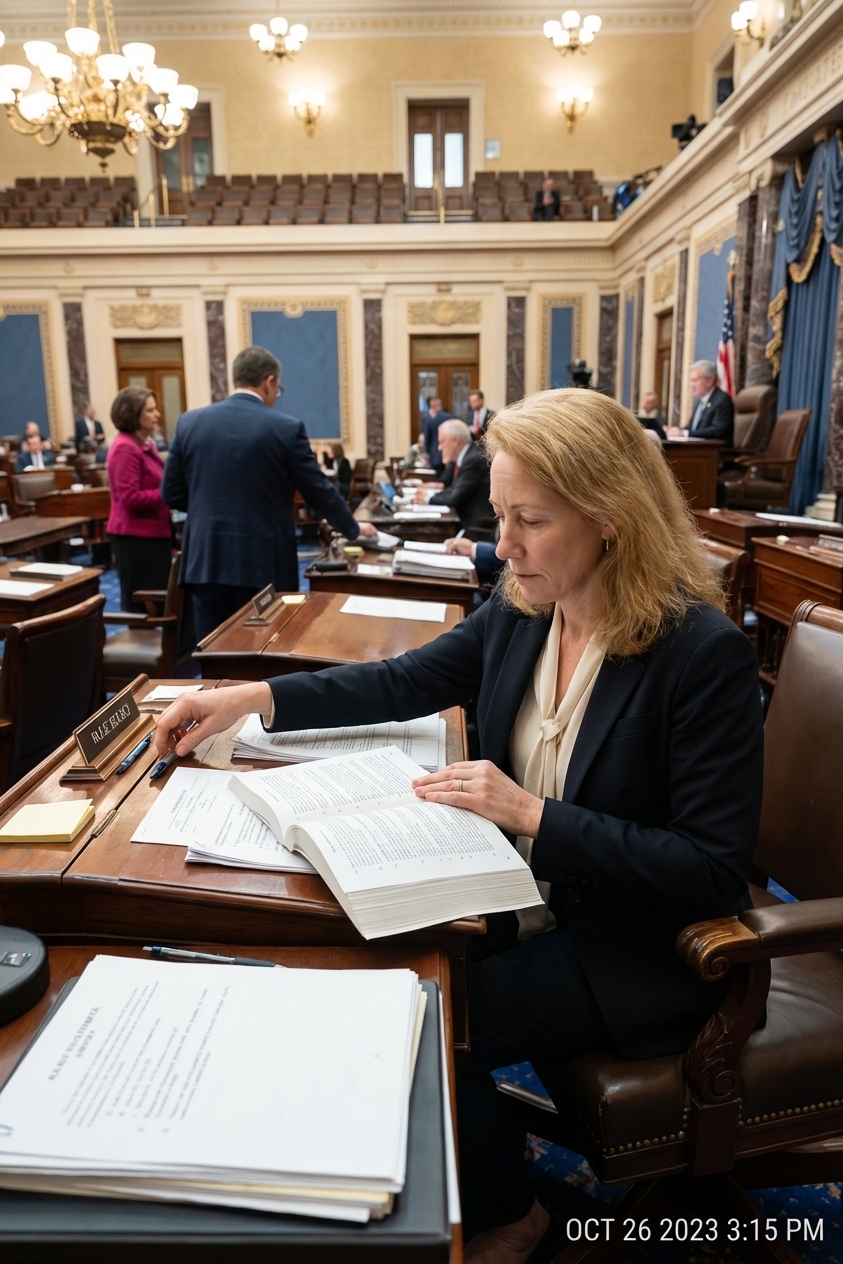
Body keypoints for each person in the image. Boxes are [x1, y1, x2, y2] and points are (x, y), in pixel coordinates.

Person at [154, 388, 763, 1263]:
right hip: (523, 898)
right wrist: (251, 699)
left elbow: (710, 869)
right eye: (500, 516)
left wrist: (528, 813)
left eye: (530, 521)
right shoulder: (526, 610)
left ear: (611, 521)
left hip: (636, 947)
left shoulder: (699, 654)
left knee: (431, 1017)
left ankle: (512, 1216)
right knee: (368, 965)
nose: (501, 544)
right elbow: (398, 681)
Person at [161, 345, 376, 643]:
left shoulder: (189, 422)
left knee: (212, 650)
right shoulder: (286, 428)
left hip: (205, 558)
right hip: (261, 561)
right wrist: (352, 528)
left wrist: (207, 508)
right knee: (264, 647)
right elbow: (317, 490)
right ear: (269, 382)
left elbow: (170, 492)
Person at [106, 387, 173, 613]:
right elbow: (130, 498)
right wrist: (168, 494)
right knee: (141, 606)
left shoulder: (144, 444)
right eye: (150, 410)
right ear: (133, 414)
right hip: (135, 539)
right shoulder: (125, 448)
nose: (157, 415)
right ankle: (140, 648)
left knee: (159, 602)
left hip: (152, 535)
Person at [416, 420, 493, 532]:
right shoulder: (467, 456)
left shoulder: (473, 459)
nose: (439, 448)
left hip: (475, 527)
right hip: (465, 521)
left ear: (456, 441)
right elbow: (453, 489)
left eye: (442, 442)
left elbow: (454, 497)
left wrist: (427, 498)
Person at [667, 360, 734, 444]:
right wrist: (678, 431)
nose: (692, 385)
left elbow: (717, 430)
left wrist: (685, 433)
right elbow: (693, 428)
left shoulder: (722, 400)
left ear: (709, 381)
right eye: (691, 381)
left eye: (695, 380)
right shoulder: (699, 401)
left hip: (715, 451)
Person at [422, 397, 454, 473]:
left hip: (434, 454)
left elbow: (427, 438)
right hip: (449, 453)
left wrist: (426, 452)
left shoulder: (429, 420)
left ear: (432, 406)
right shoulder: (449, 417)